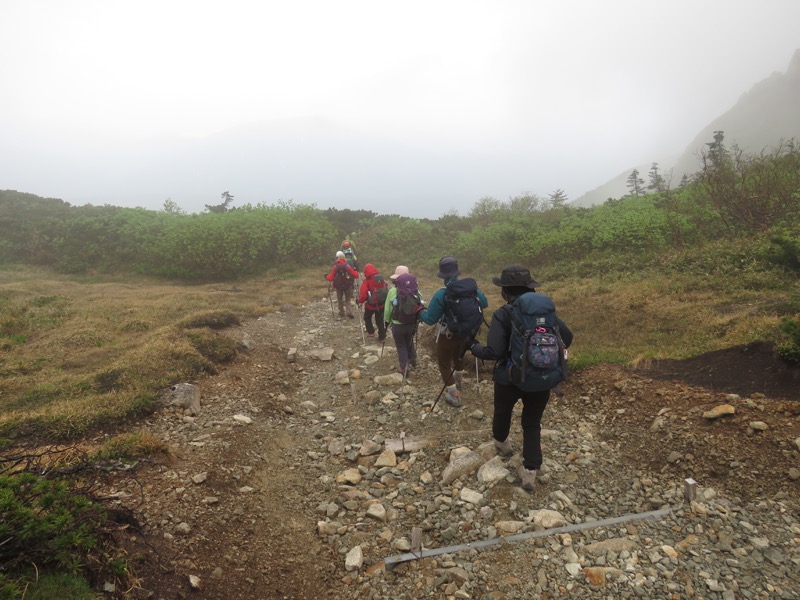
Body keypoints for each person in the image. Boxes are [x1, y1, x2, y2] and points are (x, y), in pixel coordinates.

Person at [469, 264, 573, 491]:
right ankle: (530, 472)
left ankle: (502, 444)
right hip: (542, 379)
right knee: (532, 423)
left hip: (510, 378)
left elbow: (494, 352)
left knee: (503, 410)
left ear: (505, 291)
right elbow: (568, 337)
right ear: (529, 288)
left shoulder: (503, 313)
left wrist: (474, 348)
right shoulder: (547, 313)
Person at [419, 256, 488, 408]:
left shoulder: (442, 293)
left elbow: (430, 319)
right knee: (459, 355)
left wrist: (419, 312)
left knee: (444, 363)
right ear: (457, 272)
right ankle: (458, 380)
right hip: (468, 332)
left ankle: (453, 394)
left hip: (448, 334)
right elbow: (484, 303)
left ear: (442, 275)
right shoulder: (471, 288)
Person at [383, 265, 423, 375]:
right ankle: (413, 360)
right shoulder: (416, 291)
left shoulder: (392, 291)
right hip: (411, 323)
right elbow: (421, 304)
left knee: (401, 345)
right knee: (409, 341)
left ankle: (404, 367)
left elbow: (387, 309)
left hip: (397, 324)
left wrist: (386, 321)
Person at [356, 263, 388, 342]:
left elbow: (363, 295)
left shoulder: (367, 281)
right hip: (381, 304)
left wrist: (359, 301)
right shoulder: (381, 279)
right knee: (380, 320)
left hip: (370, 305)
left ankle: (371, 332)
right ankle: (382, 337)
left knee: (367, 317)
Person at [325, 251, 359, 319]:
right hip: (348, 285)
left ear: (337, 258)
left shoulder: (336, 266)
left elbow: (331, 278)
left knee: (339, 299)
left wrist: (326, 276)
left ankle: (341, 312)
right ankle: (349, 312)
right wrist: (355, 271)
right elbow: (356, 275)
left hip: (338, 286)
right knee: (347, 299)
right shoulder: (347, 265)